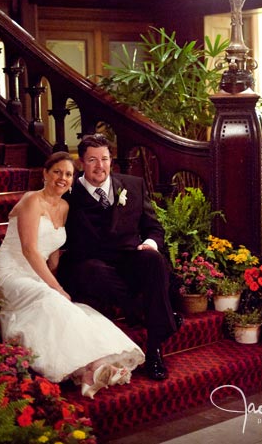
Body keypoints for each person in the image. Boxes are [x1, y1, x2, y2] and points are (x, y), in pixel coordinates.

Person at [0, 151, 144, 397]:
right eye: (57, 172)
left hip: (37, 274)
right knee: (51, 298)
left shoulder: (65, 207)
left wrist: (56, 279)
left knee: (65, 307)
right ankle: (90, 367)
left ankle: (92, 367)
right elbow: (29, 250)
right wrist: (55, 287)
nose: (63, 178)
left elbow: (53, 251)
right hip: (10, 272)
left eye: (69, 174)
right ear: (45, 174)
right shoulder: (31, 201)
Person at [58, 133, 180, 380]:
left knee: (154, 260)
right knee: (93, 270)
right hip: (90, 265)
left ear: (111, 161)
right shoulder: (68, 196)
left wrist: (148, 244)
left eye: (104, 159)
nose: (99, 166)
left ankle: (154, 349)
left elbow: (153, 228)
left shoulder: (133, 185)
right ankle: (150, 314)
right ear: (81, 163)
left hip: (127, 260)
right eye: (92, 160)